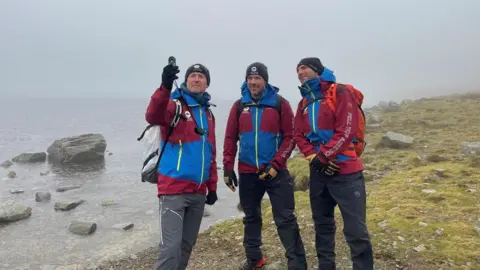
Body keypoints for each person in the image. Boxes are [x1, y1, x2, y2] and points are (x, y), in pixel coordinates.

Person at [223, 62, 307, 270]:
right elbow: (230, 138)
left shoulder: (280, 104)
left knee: (285, 219)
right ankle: (254, 259)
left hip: (276, 172)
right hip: (247, 172)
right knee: (251, 217)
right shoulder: (239, 106)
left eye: (257, 78)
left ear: (265, 80)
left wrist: (277, 164)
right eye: (250, 79)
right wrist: (227, 167)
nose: (253, 82)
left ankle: (297, 264)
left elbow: (291, 137)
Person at [293, 57, 374, 270]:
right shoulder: (304, 103)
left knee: (356, 230)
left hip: (346, 172)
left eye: (304, 68)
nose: (300, 72)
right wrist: (314, 159)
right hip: (319, 173)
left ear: (317, 70)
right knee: (322, 226)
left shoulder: (339, 92)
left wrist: (323, 156)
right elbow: (298, 135)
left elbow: (346, 129)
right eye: (297, 70)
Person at [145, 62, 218, 270]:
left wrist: (212, 187)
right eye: (192, 75)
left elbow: (210, 153)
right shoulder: (174, 104)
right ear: (186, 80)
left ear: (207, 83)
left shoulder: (208, 115)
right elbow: (153, 115)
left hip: (198, 193)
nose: (196, 79)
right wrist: (165, 86)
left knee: (186, 246)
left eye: (201, 76)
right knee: (170, 249)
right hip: (173, 190)